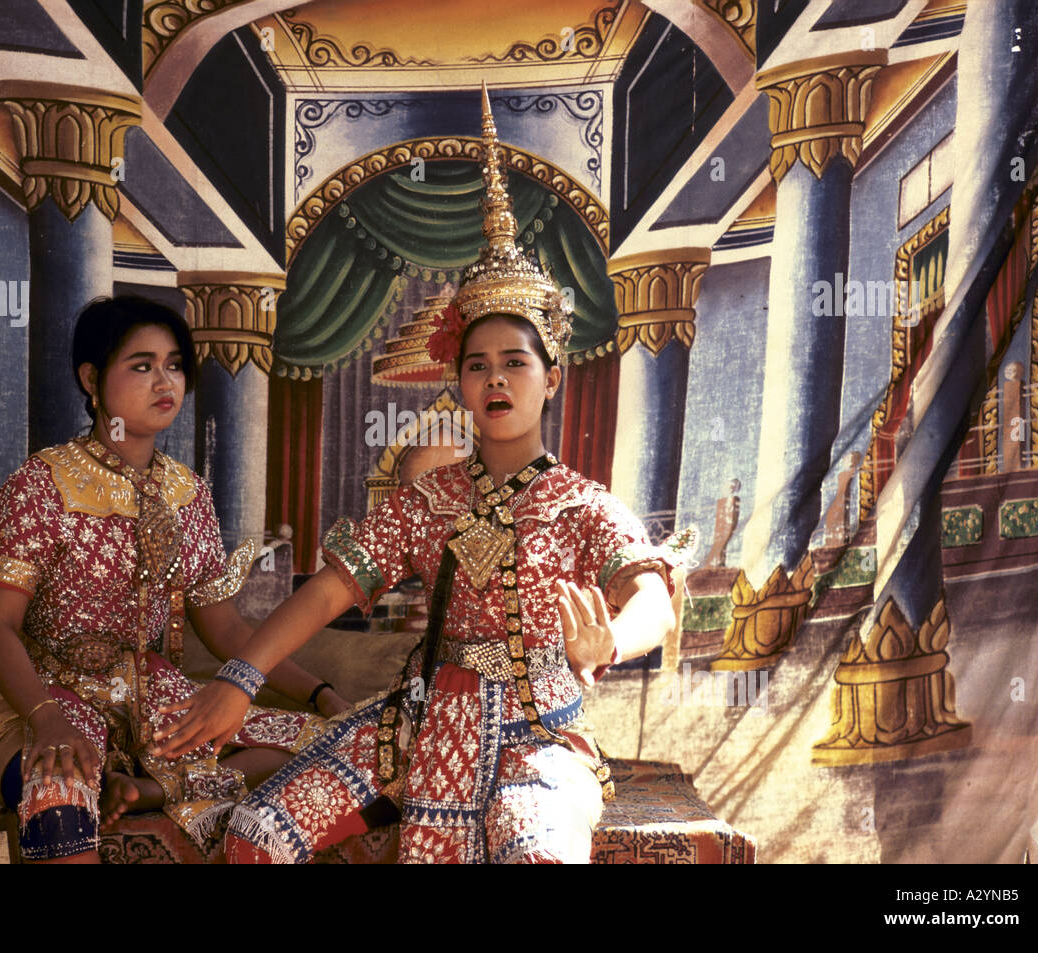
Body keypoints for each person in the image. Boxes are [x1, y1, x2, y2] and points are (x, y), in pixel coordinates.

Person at [152, 88, 694, 863]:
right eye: (479, 365)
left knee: (537, 854)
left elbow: (652, 600)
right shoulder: (427, 499)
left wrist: (609, 639)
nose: (496, 380)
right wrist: (240, 676)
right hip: (418, 719)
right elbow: (331, 589)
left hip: (540, 730)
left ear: (553, 377)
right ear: (462, 382)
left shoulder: (582, 503)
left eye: (515, 362)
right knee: (254, 834)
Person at [0, 295, 349, 863]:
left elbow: (227, 632)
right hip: (45, 699)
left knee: (327, 745)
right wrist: (46, 720)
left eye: (173, 364)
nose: (164, 380)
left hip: (161, 705)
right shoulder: (43, 484)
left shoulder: (188, 495)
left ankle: (153, 788)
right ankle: (121, 782)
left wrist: (322, 694)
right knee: (60, 786)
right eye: (141, 365)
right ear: (91, 379)